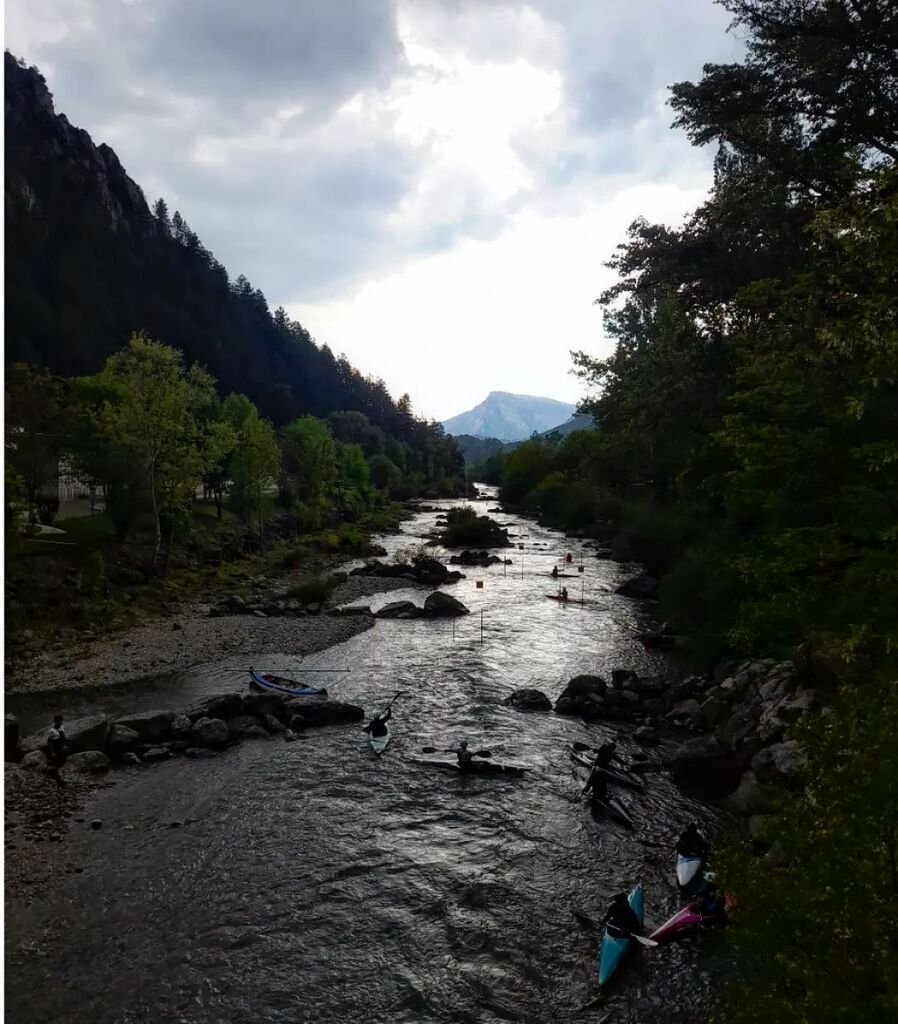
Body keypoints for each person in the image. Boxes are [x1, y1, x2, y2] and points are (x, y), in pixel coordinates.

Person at [47, 714, 68, 787]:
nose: (62, 722)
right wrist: (52, 752)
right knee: (59, 764)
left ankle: (60, 776)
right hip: (57, 749)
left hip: (63, 748)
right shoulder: (52, 731)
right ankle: (59, 779)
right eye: (60, 721)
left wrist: (65, 745)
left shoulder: (62, 727)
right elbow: (49, 742)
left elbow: (63, 737)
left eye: (62, 721)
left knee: (63, 762)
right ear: (56, 722)